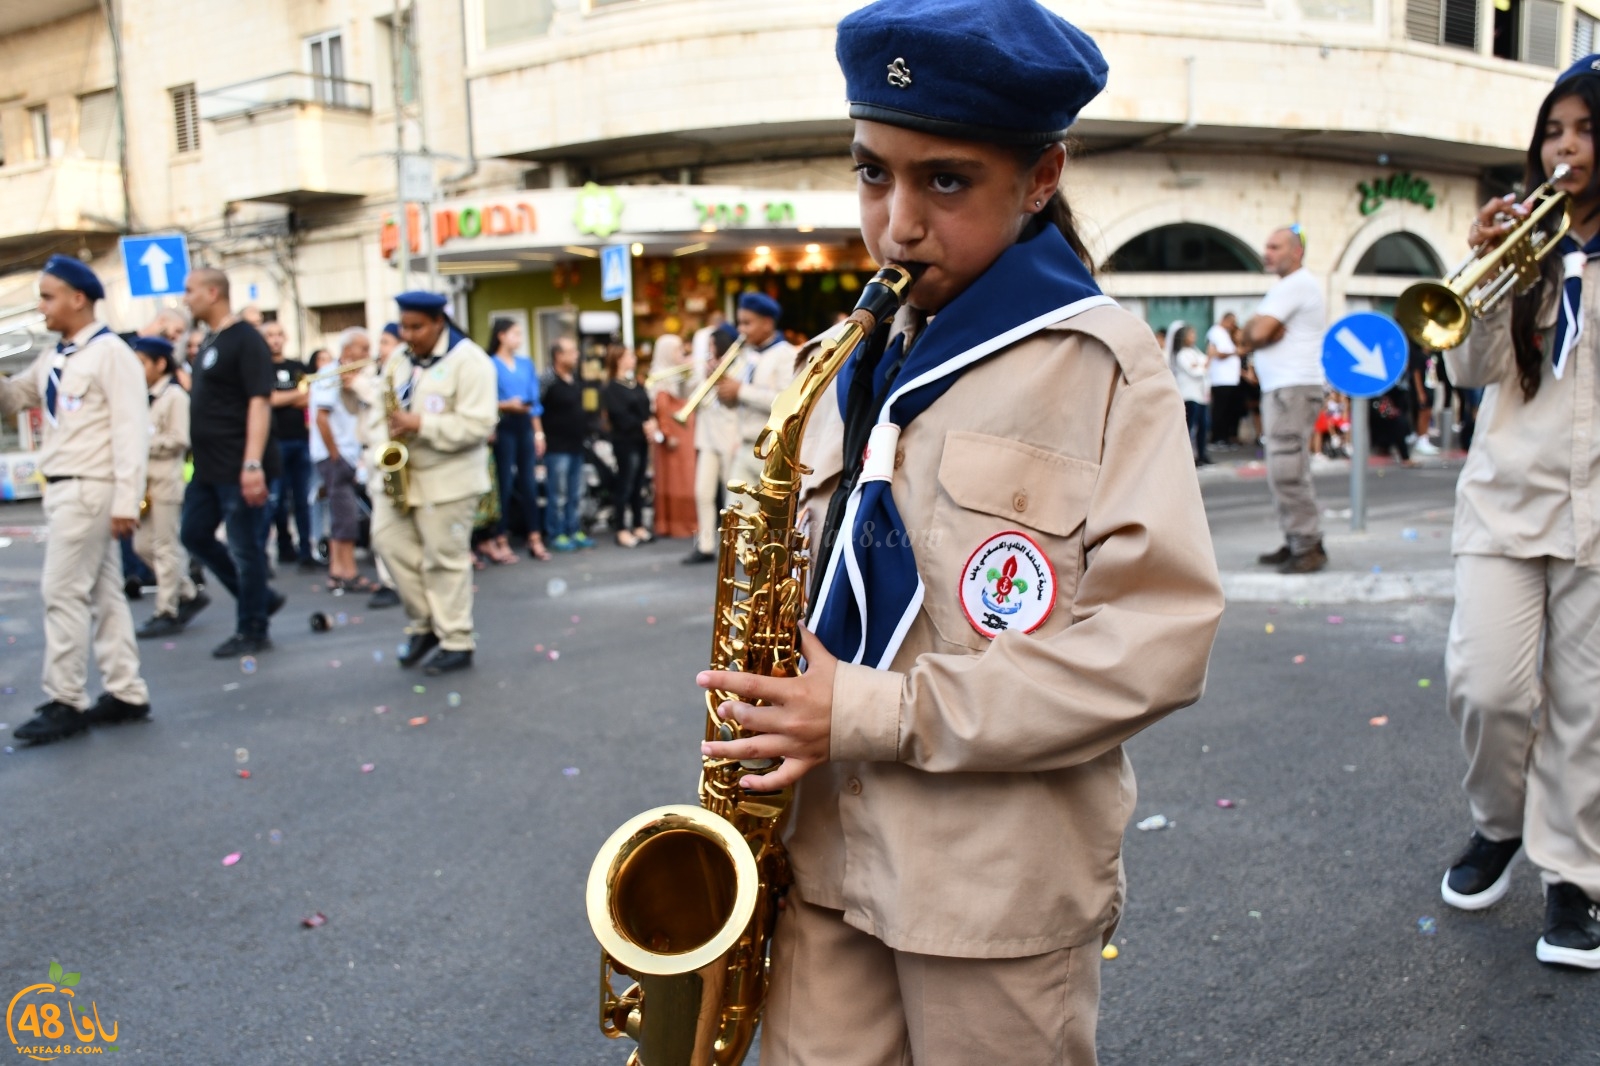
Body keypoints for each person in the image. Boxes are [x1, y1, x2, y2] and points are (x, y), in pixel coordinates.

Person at [695, 5, 1224, 1060]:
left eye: (945, 180)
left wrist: (876, 710)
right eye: (872, 173)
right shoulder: (845, 360)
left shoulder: (1103, 365)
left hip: (992, 888)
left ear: (1039, 179)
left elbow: (1157, 645)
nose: (896, 223)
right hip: (819, 859)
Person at [1436, 56, 1600, 971]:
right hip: (1506, 502)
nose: (1565, 149)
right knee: (1489, 686)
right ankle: (1498, 825)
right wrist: (1485, 271)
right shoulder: (1524, 250)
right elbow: (1468, 372)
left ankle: (1574, 879)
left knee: (1587, 710)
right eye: (1554, 130)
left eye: (1584, 130)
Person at [0, 256, 153, 744]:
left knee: (62, 591)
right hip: (65, 485)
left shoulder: (111, 353)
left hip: (90, 484)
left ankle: (66, 698)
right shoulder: (56, 356)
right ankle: (126, 690)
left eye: (48, 296)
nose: (41, 306)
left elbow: (132, 430)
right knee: (103, 594)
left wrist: (129, 498)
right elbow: (14, 399)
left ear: (77, 298)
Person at [370, 292, 497, 676]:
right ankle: (426, 623)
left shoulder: (470, 361)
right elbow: (383, 410)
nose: (408, 335)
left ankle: (456, 640)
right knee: (387, 542)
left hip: (450, 478)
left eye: (416, 327)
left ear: (438, 322)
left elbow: (480, 426)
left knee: (445, 561)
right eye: (403, 327)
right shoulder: (399, 360)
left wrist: (421, 425)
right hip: (403, 476)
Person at [180, 267, 284, 659]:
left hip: (239, 465)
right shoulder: (209, 340)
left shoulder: (245, 340)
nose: (185, 298)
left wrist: (253, 464)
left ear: (212, 292)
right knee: (193, 533)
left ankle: (253, 627)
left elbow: (259, 401)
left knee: (245, 548)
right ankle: (258, 596)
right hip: (208, 467)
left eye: (190, 291)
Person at [1239, 225, 1329, 574]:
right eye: (1267, 246)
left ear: (1297, 252)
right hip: (1284, 388)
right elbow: (1250, 336)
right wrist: (1256, 332)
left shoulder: (1297, 285)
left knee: (1287, 470)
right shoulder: (1286, 288)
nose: (1268, 252)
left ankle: (1306, 545)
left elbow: (1255, 333)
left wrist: (1258, 331)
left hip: (1292, 388)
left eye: (1275, 246)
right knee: (1287, 469)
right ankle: (1300, 539)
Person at [131, 337, 208, 638]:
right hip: (144, 482)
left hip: (166, 478)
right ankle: (187, 591)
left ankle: (167, 610)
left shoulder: (174, 396)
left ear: (160, 363)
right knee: (142, 545)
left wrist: (142, 443)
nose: (137, 370)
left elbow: (180, 438)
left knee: (165, 546)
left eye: (142, 363)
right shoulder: (144, 396)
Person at [716, 291, 799, 509]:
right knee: (734, 518)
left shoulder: (786, 354)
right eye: (739, 322)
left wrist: (740, 390)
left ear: (767, 323)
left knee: (766, 526)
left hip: (771, 452)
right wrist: (723, 390)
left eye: (747, 323)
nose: (740, 329)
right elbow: (735, 402)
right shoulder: (746, 354)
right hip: (745, 447)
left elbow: (786, 402)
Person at [312, 329, 376, 593]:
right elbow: (321, 417)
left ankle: (337, 572)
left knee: (342, 514)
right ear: (347, 350)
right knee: (345, 516)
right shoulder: (329, 375)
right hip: (335, 456)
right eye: (362, 348)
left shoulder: (353, 376)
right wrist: (335, 454)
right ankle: (347, 572)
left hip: (347, 455)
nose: (367, 354)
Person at [487, 316, 549, 563]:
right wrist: (505, 405)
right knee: (503, 484)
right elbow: (485, 399)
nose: (519, 339)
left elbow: (533, 401)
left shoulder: (526, 363)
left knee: (529, 484)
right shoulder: (489, 364)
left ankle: (534, 536)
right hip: (503, 425)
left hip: (524, 424)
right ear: (501, 335)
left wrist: (539, 432)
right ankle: (501, 538)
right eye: (515, 334)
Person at [683, 323, 740, 564]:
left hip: (730, 437)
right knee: (703, 493)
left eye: (711, 345)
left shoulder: (738, 367)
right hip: (707, 439)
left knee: (734, 498)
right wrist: (700, 377)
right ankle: (705, 545)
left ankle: (741, 546)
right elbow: (690, 397)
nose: (708, 350)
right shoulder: (703, 369)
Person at [263, 320, 317, 570]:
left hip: (300, 441)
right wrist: (294, 396)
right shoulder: (260, 367)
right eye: (269, 335)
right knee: (275, 500)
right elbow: (268, 400)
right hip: (274, 443)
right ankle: (281, 546)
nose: (275, 340)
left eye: (278, 335)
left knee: (303, 499)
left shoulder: (297, 367)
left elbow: (310, 398)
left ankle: (307, 550)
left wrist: (285, 398)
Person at [362, 325, 404, 610]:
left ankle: (393, 581)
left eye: (386, 342)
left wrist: (357, 384)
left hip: (392, 457)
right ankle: (389, 579)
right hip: (374, 457)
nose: (381, 349)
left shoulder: (400, 370)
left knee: (389, 530)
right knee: (382, 531)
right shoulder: (377, 373)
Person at [541, 336, 593, 551]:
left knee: (576, 493)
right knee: (558, 494)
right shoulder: (547, 381)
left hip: (575, 445)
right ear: (558, 355)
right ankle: (557, 533)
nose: (576, 355)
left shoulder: (574, 379)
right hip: (556, 447)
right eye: (571, 351)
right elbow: (536, 410)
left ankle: (574, 529)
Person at [602, 345, 657, 547]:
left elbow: (646, 407)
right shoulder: (612, 388)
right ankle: (621, 529)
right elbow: (619, 415)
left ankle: (638, 524)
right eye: (629, 356)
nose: (633, 359)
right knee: (625, 484)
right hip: (625, 441)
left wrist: (651, 422)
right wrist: (643, 425)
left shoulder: (636, 384)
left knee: (638, 484)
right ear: (618, 360)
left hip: (641, 440)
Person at [649, 334, 697, 539]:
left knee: (685, 479)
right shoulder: (660, 377)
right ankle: (677, 524)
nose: (682, 354)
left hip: (684, 433)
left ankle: (684, 523)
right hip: (674, 435)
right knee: (678, 480)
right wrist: (667, 433)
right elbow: (661, 407)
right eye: (677, 350)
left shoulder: (678, 374)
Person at [1167, 320, 1211, 465]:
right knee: (1190, 427)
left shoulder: (1194, 351)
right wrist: (1202, 365)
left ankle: (1201, 454)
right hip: (1189, 395)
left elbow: (1205, 364)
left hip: (1200, 395)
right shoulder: (1181, 355)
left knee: (1203, 426)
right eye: (1191, 333)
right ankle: (1188, 456)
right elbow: (1196, 372)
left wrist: (1201, 365)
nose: (1194, 336)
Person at [1207, 312, 1243, 446]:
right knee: (1220, 410)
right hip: (1220, 379)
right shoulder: (1215, 332)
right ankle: (1218, 437)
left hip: (1230, 379)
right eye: (1231, 322)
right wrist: (1235, 352)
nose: (1232, 325)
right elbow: (1216, 353)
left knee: (1229, 410)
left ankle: (1226, 437)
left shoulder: (1225, 333)